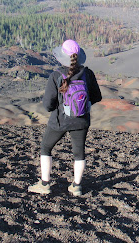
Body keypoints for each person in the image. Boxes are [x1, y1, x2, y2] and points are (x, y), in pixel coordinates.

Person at [28, 39, 102, 196]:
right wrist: (81, 107)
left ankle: (45, 184)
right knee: (79, 153)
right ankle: (76, 187)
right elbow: (97, 97)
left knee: (46, 147)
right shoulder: (88, 74)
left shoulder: (56, 76)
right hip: (81, 120)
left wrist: (62, 109)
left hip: (59, 121)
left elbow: (48, 104)